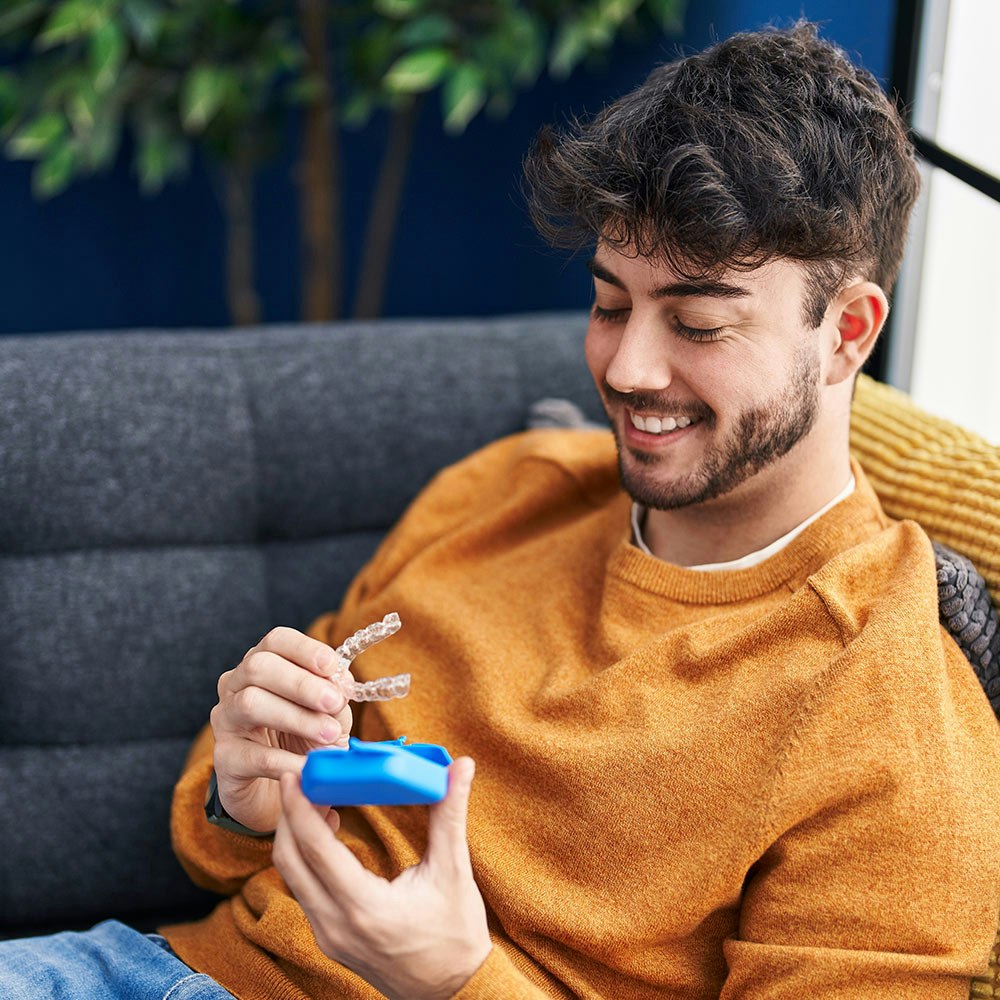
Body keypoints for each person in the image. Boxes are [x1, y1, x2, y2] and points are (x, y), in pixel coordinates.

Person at [3, 20, 999, 1000]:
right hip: (147, 969)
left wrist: (455, 982)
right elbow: (221, 849)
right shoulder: (510, 487)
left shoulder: (894, 722)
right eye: (610, 303)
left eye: (698, 322)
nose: (628, 366)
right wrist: (241, 796)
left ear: (848, 333)